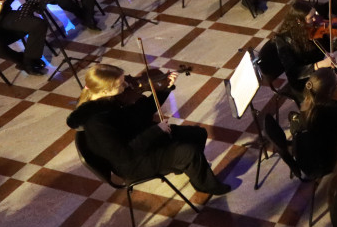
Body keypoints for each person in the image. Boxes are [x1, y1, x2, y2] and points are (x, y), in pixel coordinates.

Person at [66, 64, 232, 196]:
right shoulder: (97, 122)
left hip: (139, 139)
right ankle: (206, 185)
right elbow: (123, 154)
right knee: (188, 152)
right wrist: (157, 131)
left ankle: (191, 170)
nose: (126, 85)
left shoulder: (108, 101)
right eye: (120, 84)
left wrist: (165, 88)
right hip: (132, 163)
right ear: (105, 90)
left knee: (197, 134)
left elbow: (141, 112)